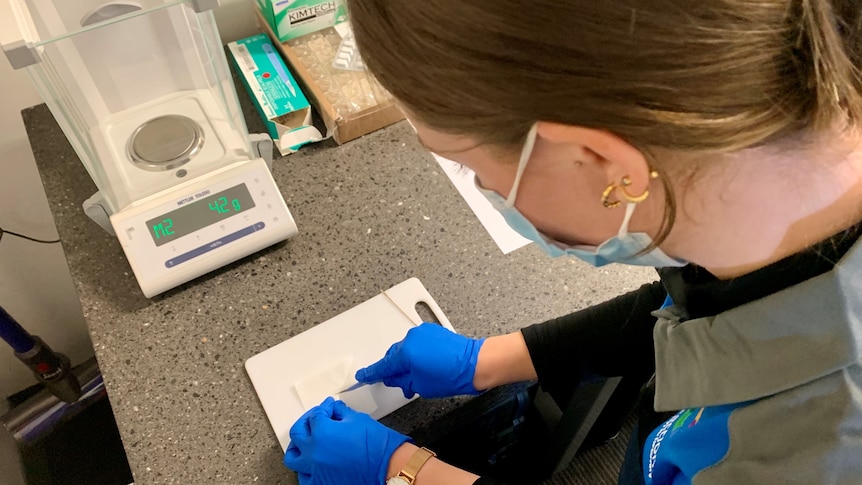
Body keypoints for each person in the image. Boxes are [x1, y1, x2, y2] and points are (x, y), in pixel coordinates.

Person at [282, 1, 862, 484]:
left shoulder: (810, 450)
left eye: (472, 170)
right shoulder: (768, 207)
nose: (483, 188)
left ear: (603, 166)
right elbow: (699, 315)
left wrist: (406, 472)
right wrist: (492, 359)